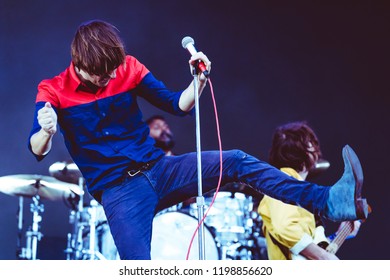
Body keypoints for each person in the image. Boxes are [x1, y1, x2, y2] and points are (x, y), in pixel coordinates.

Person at [28, 20, 368, 260]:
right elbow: (37, 149)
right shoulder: (53, 90)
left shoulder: (128, 67)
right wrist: (45, 130)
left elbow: (178, 104)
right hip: (120, 192)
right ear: (81, 65)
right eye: (105, 74)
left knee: (235, 159)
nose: (114, 76)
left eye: (116, 69)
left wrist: (198, 81)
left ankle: (329, 202)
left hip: (161, 169)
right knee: (137, 268)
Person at [258, 121, 361, 260]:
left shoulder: (297, 190)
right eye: (310, 142)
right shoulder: (283, 182)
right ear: (305, 148)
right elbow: (284, 226)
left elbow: (307, 249)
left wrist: (340, 234)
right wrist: (323, 256)